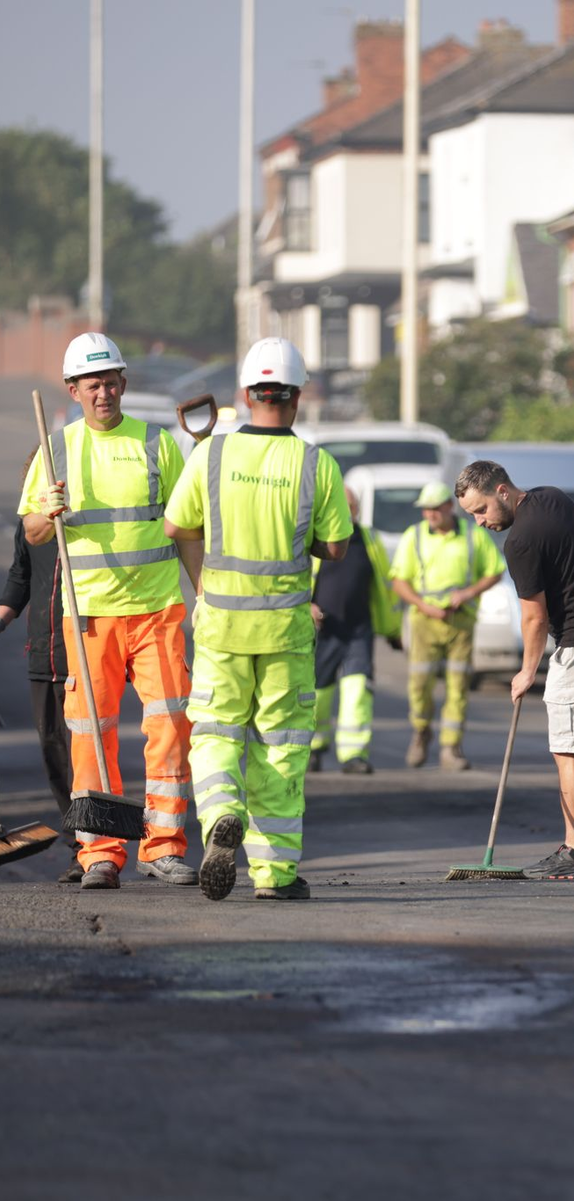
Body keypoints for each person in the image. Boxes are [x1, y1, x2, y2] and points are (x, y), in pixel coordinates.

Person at [164, 337, 352, 902]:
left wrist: (205, 581)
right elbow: (338, 548)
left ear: (246, 395)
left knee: (216, 735)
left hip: (220, 623)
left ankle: (222, 812)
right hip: (285, 631)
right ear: (297, 397)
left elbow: (177, 528)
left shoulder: (210, 454)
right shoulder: (316, 464)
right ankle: (274, 875)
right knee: (281, 748)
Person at [19, 333, 200, 891]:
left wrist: (207, 595)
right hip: (91, 614)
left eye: (112, 380)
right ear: (74, 390)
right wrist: (48, 513)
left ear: (124, 382)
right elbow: (30, 531)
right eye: (93, 383)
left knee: (170, 726)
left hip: (156, 611)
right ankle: (101, 853)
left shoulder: (157, 443)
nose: (105, 392)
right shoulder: (58, 449)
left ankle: (163, 847)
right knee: (90, 734)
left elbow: (186, 525)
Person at [456, 460, 574, 880]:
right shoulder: (551, 497)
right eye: (472, 516)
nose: (480, 522)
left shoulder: (520, 540)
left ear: (502, 491)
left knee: (567, 747)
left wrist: (525, 671)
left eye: (481, 510)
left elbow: (534, 618)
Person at [390, 481, 504, 771]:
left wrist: (467, 594)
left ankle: (451, 747)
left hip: (460, 620)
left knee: (458, 686)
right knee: (419, 685)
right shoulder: (413, 537)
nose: (429, 514)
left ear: (448, 507)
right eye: (425, 509)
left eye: (434, 508)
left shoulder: (471, 536)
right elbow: (399, 580)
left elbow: (494, 572)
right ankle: (421, 732)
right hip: (424, 621)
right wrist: (422, 604)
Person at [1, 456, 79, 882]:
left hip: (84, 648)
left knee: (81, 752)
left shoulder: (83, 517)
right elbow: (20, 575)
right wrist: (3, 617)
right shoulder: (30, 523)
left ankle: (90, 846)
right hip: (43, 652)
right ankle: (79, 841)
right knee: (54, 753)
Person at [310, 486, 402, 775]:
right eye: (342, 504)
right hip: (323, 630)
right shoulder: (315, 536)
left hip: (359, 629)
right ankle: (313, 749)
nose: (348, 510)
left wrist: (392, 629)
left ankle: (354, 755)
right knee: (317, 694)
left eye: (352, 505)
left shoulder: (369, 538)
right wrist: (305, 606)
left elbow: (385, 587)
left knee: (358, 691)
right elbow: (297, 576)